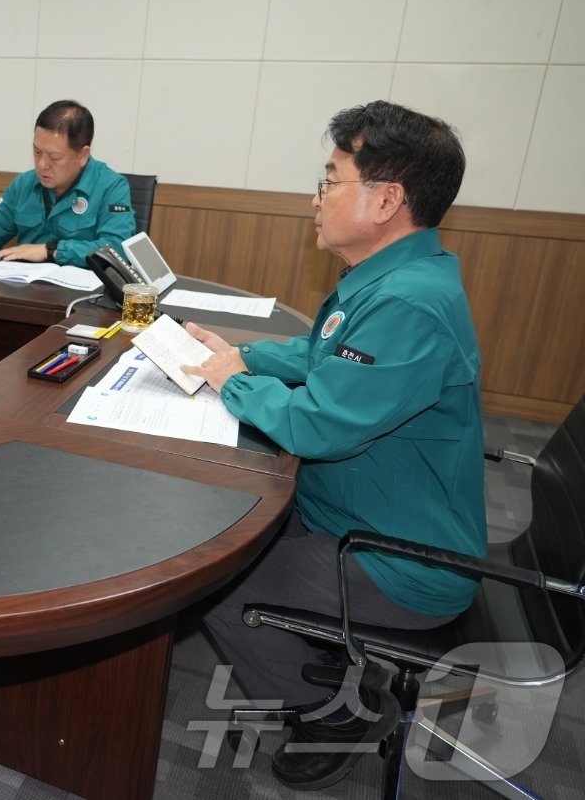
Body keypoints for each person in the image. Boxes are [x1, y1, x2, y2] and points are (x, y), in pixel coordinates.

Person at [183, 101, 484, 791]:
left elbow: (316, 424)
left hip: (402, 559)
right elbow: (325, 357)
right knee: (220, 515)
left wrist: (232, 382)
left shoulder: (408, 303)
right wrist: (246, 357)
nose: (315, 198)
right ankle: (319, 654)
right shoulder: (391, 279)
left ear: (386, 199)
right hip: (361, 514)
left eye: (330, 179)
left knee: (212, 576)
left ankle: (331, 713)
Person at [0, 99, 134, 267]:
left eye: (54, 157)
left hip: (80, 300)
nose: (42, 164)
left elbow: (116, 249)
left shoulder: (112, 187)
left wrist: (51, 251)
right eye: (37, 152)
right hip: (25, 289)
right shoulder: (24, 184)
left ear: (82, 155)